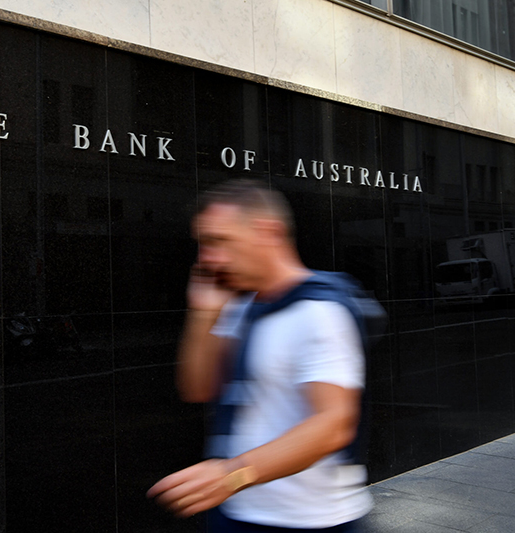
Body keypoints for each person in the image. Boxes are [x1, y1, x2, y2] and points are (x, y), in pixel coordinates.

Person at [147, 179, 383, 532]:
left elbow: (333, 425)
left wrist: (229, 476)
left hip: (311, 520)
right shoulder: (242, 305)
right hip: (240, 510)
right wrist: (203, 314)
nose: (207, 258)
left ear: (267, 232)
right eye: (203, 244)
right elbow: (199, 389)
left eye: (219, 241)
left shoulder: (318, 311)